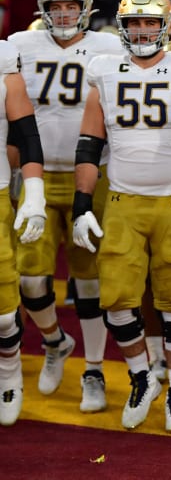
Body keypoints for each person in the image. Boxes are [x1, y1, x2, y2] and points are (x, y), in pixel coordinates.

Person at [72, 0, 171, 432]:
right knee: (115, 300)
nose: (141, 30)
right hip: (121, 199)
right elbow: (89, 141)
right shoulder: (103, 69)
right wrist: (82, 204)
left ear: (166, 26)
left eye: (149, 22)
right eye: (133, 22)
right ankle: (141, 376)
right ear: (122, 25)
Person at [8, 0, 124, 413]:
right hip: (38, 175)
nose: (62, 13)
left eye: (70, 5)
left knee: (88, 279)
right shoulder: (21, 44)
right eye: (55, 6)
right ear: (42, 8)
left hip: (93, 174)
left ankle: (93, 369)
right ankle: (56, 341)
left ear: (86, 8)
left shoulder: (109, 45)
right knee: (30, 279)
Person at [0, 40, 47, 427]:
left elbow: (27, 135)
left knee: (2, 312)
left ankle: (9, 371)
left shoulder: (3, 57)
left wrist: (34, 195)